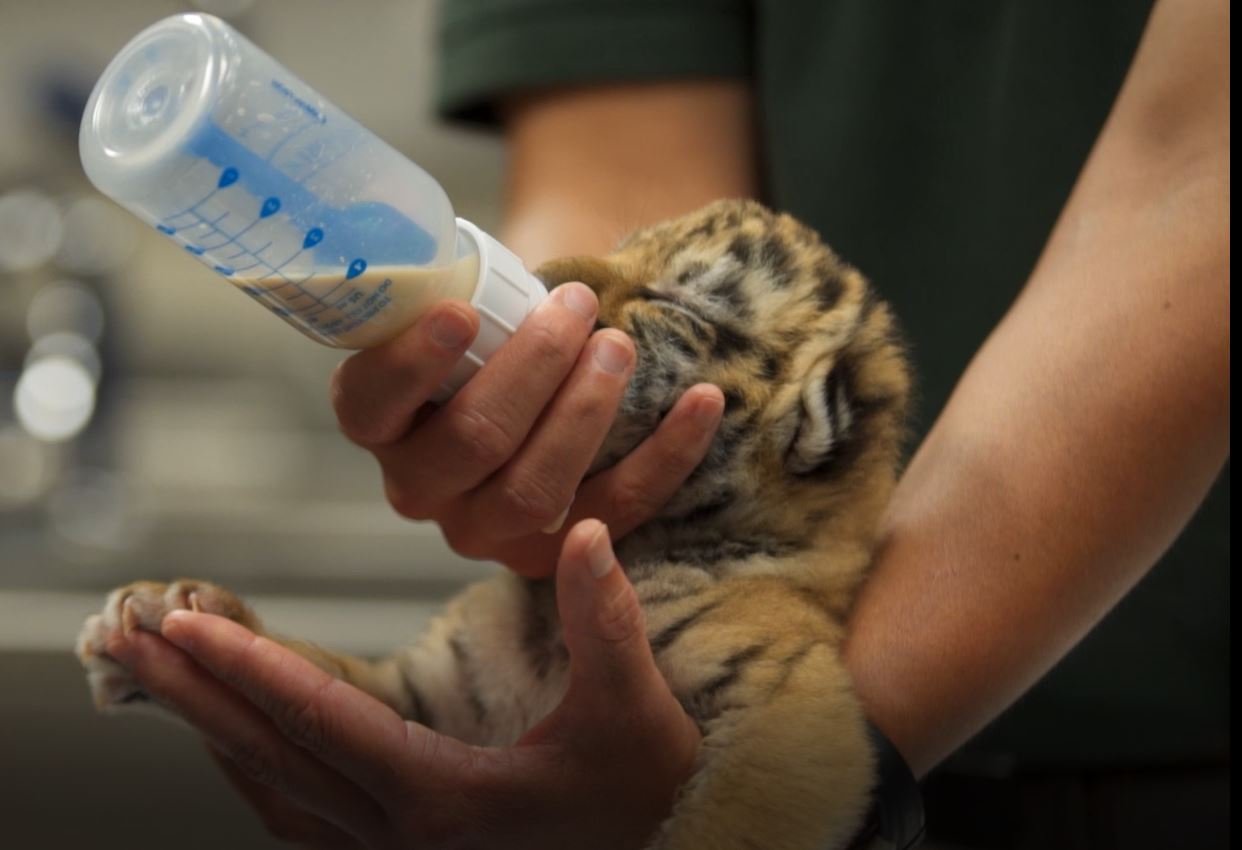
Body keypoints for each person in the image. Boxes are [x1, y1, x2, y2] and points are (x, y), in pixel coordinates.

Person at [108, 0, 1229, 847]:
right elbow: (622, 168)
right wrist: (537, 425)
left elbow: (1201, 170)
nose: (584, 290)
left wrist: (736, 773)